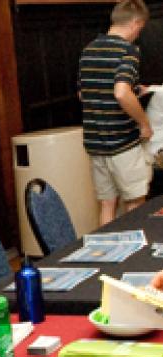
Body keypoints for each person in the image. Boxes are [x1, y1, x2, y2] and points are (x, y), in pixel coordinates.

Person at [78, 0, 153, 226]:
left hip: (95, 142)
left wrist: (135, 91)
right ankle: (134, 260)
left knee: (107, 204)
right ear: (136, 23)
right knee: (135, 202)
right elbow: (121, 93)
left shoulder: (88, 50)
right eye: (140, 29)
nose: (138, 34)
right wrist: (144, 124)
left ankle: (110, 259)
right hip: (123, 143)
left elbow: (83, 94)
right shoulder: (128, 51)